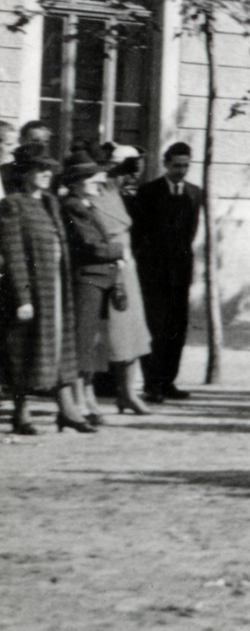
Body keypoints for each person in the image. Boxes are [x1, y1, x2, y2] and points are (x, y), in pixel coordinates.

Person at [1, 148, 89, 434]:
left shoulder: (50, 203)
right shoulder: (13, 205)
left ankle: (67, 411)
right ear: (24, 172)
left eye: (48, 169)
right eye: (39, 169)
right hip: (31, 292)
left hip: (56, 289)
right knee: (23, 352)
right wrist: (23, 298)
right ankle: (21, 414)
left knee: (60, 347)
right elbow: (14, 255)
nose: (46, 174)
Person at [81, 146, 153, 414]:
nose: (126, 177)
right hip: (104, 268)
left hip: (126, 271)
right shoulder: (92, 195)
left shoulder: (115, 193)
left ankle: (127, 392)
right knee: (99, 335)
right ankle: (88, 392)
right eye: (122, 170)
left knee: (130, 331)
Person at [59, 157, 130, 426]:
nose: (98, 182)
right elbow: (91, 246)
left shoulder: (86, 205)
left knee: (94, 344)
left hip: (100, 279)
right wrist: (119, 251)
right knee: (84, 342)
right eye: (91, 179)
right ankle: (79, 401)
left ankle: (88, 398)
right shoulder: (73, 206)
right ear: (76, 183)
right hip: (87, 279)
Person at [129, 142, 202, 403]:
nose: (181, 170)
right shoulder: (148, 192)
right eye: (176, 165)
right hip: (153, 273)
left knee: (176, 328)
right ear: (166, 164)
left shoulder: (195, 193)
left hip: (180, 272)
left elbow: (191, 232)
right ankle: (152, 385)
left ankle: (168, 381)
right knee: (155, 328)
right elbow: (139, 233)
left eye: (185, 166)